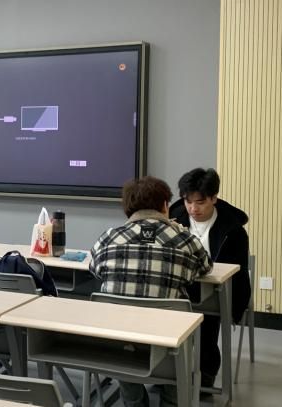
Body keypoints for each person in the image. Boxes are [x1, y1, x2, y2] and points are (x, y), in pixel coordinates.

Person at [90, 176, 212, 407]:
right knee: (178, 331)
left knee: (121, 327)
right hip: (168, 348)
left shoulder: (107, 238)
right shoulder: (185, 240)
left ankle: (134, 401)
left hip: (117, 348)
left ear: (128, 207)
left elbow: (94, 269)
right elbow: (205, 267)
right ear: (165, 205)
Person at [169, 167, 251, 388]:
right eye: (188, 202)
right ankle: (168, 372)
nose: (193, 209)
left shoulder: (233, 230)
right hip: (179, 286)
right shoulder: (173, 219)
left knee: (207, 316)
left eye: (200, 202)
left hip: (216, 290)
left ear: (214, 198)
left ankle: (206, 372)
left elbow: (239, 273)